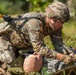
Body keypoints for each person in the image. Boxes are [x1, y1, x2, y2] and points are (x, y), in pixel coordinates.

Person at [0, 1, 76, 75]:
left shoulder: (55, 26)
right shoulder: (35, 22)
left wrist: (71, 54)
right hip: (4, 39)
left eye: (62, 22)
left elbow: (59, 45)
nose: (60, 25)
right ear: (50, 17)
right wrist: (62, 57)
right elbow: (39, 48)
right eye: (57, 21)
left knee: (35, 62)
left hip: (24, 45)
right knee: (8, 59)